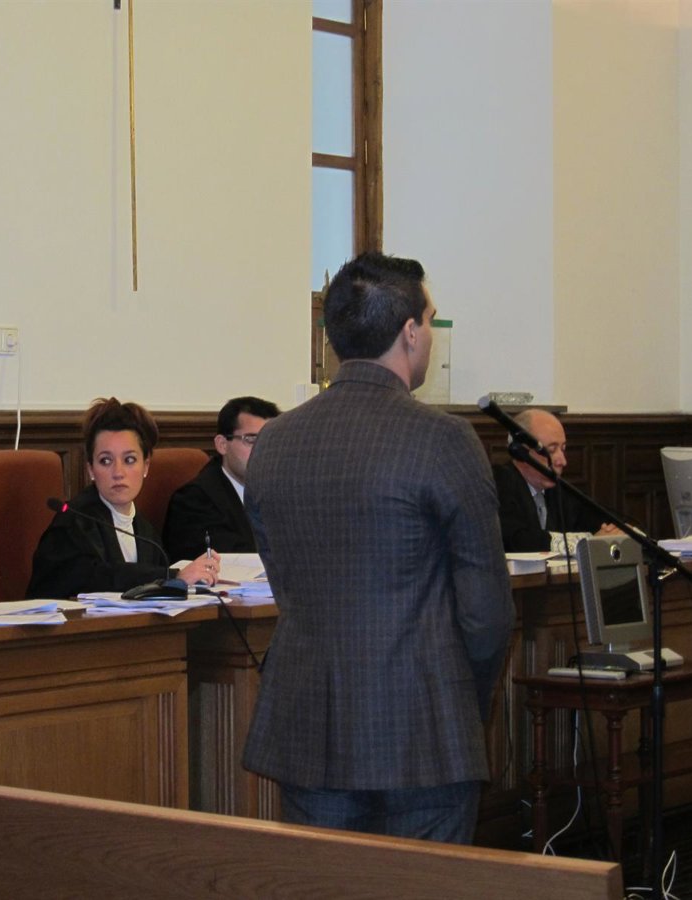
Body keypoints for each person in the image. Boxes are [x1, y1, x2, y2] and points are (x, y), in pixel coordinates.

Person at [241, 252, 515, 845]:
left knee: (323, 884)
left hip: (309, 727)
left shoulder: (275, 442)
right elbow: (487, 613)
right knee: (424, 885)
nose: (432, 336)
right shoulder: (443, 438)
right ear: (410, 332)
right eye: (431, 321)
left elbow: (285, 581)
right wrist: (464, 701)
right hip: (424, 731)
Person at [27, 397, 217, 598]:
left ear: (146, 466)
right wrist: (172, 576)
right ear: (91, 469)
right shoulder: (73, 523)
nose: (118, 472)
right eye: (105, 461)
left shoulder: (146, 532)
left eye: (129, 460)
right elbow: (92, 578)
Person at [162, 396, 281, 563]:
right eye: (252, 440)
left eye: (271, 441)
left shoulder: (284, 493)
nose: (264, 451)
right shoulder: (194, 502)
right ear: (222, 444)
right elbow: (234, 562)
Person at [493, 407, 622, 553]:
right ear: (521, 452)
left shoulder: (560, 491)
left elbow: (600, 522)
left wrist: (618, 532)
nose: (562, 461)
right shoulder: (499, 482)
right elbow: (517, 540)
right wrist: (589, 542)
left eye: (563, 449)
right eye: (551, 450)